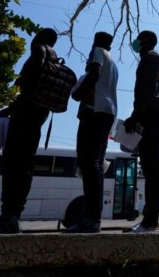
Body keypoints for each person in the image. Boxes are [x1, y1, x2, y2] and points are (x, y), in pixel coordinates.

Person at [0, 28, 59, 234]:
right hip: (39, 115)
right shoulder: (54, 59)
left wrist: (11, 106)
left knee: (13, 164)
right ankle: (14, 215)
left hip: (24, 115)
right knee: (25, 165)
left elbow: (26, 84)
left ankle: (7, 216)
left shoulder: (38, 51)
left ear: (39, 38)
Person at [65, 32, 118, 233]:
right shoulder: (113, 62)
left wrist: (77, 94)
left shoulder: (98, 52)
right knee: (95, 163)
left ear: (96, 42)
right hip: (106, 114)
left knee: (89, 163)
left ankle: (90, 219)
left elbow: (93, 75)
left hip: (94, 112)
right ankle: (93, 218)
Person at [123, 31, 159, 233]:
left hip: (150, 117)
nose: (135, 42)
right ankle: (148, 219)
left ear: (147, 42)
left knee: (152, 168)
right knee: (150, 167)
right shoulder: (152, 59)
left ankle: (150, 221)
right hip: (150, 116)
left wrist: (135, 116)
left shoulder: (150, 58)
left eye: (139, 39)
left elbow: (148, 91)